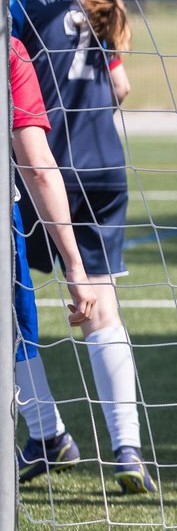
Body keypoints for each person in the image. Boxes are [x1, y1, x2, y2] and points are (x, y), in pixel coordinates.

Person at [8, 0, 153, 493]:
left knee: (10, 308)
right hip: (104, 165)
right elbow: (120, 85)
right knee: (103, 303)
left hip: (47, 167)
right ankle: (128, 451)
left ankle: (46, 431)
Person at [9, 37, 99, 484]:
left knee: (16, 330)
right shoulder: (9, 47)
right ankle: (47, 434)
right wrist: (75, 267)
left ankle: (47, 434)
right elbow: (38, 167)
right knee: (15, 329)